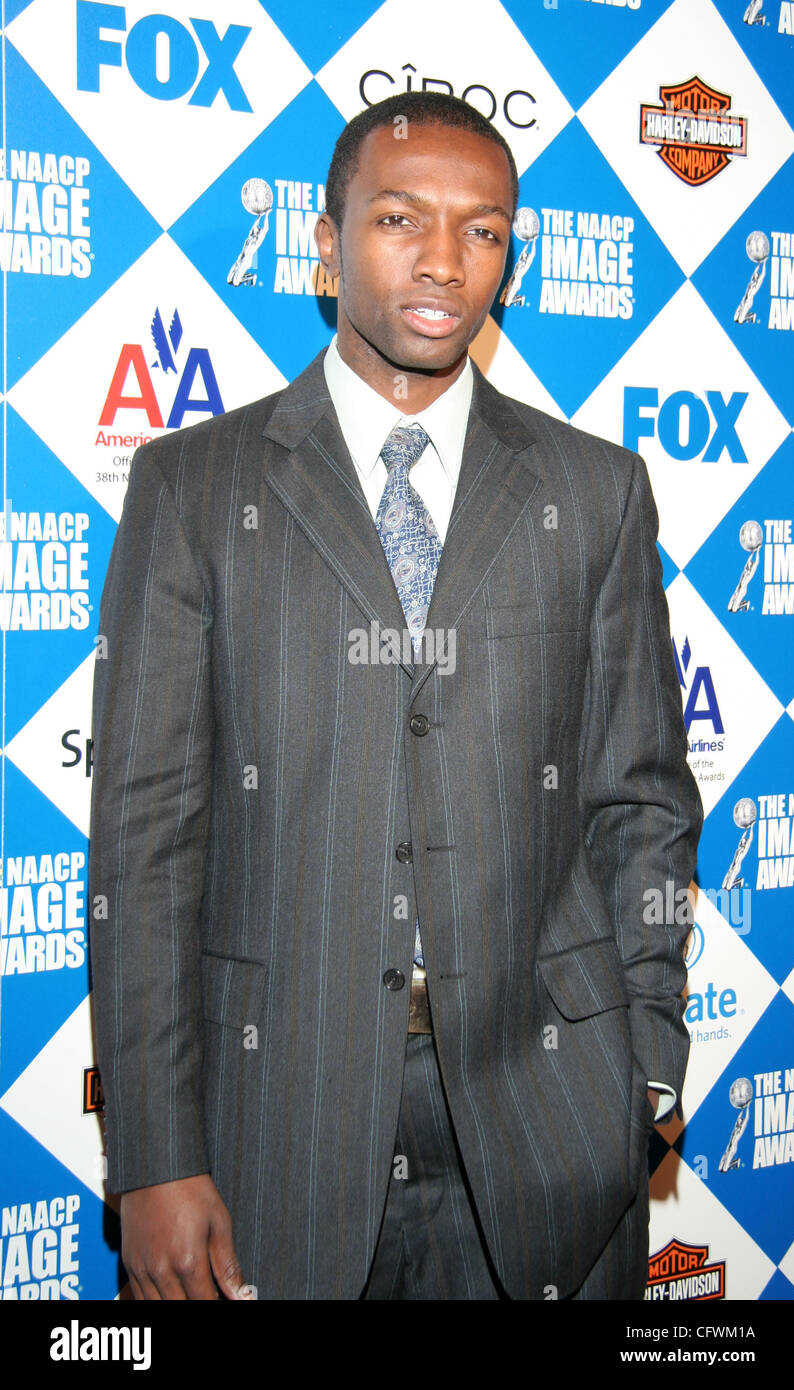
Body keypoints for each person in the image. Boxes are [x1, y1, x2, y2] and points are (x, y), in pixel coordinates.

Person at [89, 91, 703, 1301]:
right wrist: (154, 1153)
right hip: (280, 1114)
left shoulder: (594, 490)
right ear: (324, 243)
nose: (442, 261)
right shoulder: (194, 488)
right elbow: (146, 843)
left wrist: (647, 1060)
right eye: (398, 217)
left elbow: (641, 798)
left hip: (548, 1111)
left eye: (483, 231)